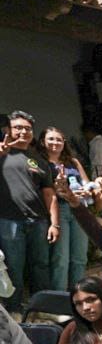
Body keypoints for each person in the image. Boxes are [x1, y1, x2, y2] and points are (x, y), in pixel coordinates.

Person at [0, 110, 57, 309]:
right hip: (9, 221)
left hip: (39, 222)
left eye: (27, 128)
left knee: (41, 267)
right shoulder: (2, 153)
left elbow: (50, 194)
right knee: (13, 268)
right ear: (8, 130)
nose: (23, 131)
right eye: (18, 128)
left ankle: (42, 309)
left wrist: (54, 224)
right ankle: (14, 312)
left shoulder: (39, 160)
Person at [41, 125, 92, 291]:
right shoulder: (41, 163)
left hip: (79, 209)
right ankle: (60, 297)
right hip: (60, 210)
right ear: (43, 141)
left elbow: (87, 182)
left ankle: (78, 293)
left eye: (58, 139)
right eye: (51, 139)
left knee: (80, 256)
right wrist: (59, 188)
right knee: (61, 258)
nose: (55, 142)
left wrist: (87, 189)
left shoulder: (73, 162)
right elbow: (42, 191)